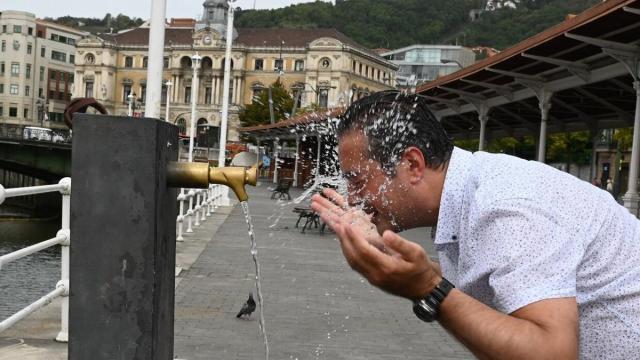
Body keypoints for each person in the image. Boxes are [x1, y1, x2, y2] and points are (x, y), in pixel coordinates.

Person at [310, 91, 640, 359]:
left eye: (357, 180)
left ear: (412, 164)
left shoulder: (505, 205)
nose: (352, 198)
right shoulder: (476, 192)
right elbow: (493, 276)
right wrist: (403, 265)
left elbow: (551, 353)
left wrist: (426, 288)